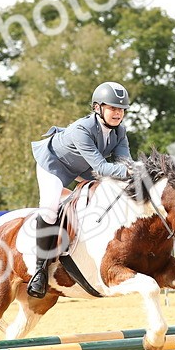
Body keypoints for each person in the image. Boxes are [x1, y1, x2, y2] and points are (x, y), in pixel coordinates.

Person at [27, 81, 132, 298]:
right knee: (48, 209)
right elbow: (103, 167)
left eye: (121, 109)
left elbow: (125, 162)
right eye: (112, 108)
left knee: (114, 189)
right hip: (54, 164)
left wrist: (137, 171)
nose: (117, 113)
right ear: (97, 108)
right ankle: (39, 270)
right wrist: (131, 172)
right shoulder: (81, 130)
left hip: (82, 166)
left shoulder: (120, 131)